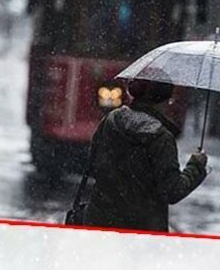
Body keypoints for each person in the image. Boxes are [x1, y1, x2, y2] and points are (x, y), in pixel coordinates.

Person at [84, 77, 208, 232]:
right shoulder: (161, 137)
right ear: (166, 99)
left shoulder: (112, 120)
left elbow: (92, 162)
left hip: (99, 221)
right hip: (141, 230)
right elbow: (172, 191)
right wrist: (196, 166)